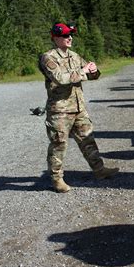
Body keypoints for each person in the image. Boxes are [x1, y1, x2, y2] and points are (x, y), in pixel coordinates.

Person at [39, 23, 119, 193]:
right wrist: (84, 71)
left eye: (71, 35)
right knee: (59, 144)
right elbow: (60, 78)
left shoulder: (74, 56)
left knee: (87, 139)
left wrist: (94, 70)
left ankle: (99, 170)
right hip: (60, 110)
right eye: (66, 35)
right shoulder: (48, 57)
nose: (70, 38)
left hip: (78, 107)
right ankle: (57, 179)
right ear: (55, 38)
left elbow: (92, 74)